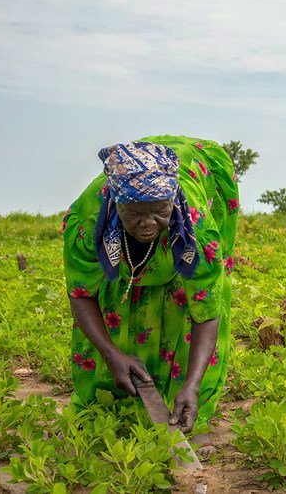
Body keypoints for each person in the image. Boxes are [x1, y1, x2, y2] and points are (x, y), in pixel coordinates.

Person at [62, 135, 237, 448]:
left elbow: (207, 309)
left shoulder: (196, 225)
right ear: (116, 206)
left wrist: (192, 384)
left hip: (195, 178)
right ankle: (113, 398)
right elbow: (81, 294)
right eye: (134, 214)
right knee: (115, 301)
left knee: (184, 301)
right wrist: (111, 352)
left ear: (172, 201)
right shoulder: (90, 221)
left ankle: (185, 402)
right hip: (113, 226)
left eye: (158, 211)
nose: (147, 224)